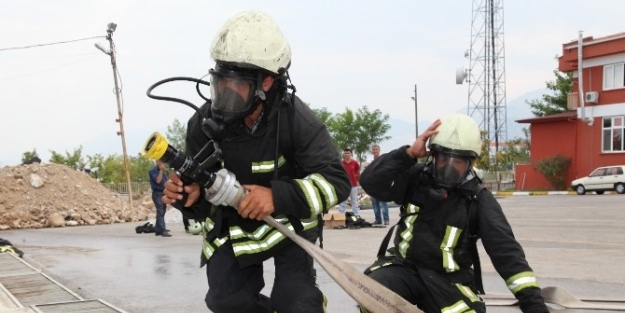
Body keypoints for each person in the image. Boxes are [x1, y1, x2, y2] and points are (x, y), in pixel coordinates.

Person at [161, 11, 350, 313]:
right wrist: (190, 199)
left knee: (296, 304)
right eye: (221, 82)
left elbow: (337, 182)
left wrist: (277, 196)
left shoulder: (297, 120)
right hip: (233, 226)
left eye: (238, 85)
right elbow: (201, 197)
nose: (226, 94)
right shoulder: (201, 124)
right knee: (225, 302)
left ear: (268, 82)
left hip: (290, 222)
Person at [359, 113, 549, 313]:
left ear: (471, 162)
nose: (448, 166)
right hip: (404, 269)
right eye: (443, 158)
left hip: (448, 282)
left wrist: (535, 307)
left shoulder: (479, 200)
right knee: (371, 297)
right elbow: (370, 182)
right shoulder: (416, 177)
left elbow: (508, 255)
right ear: (433, 155)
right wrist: (408, 154)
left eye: (457, 161)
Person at [149, 160, 170, 237]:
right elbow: (158, 181)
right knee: (160, 210)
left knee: (162, 211)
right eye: (160, 161)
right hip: (157, 194)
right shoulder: (152, 171)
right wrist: (161, 170)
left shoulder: (164, 172)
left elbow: (166, 181)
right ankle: (162, 230)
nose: (162, 162)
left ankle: (158, 229)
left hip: (163, 193)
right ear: (157, 162)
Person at [369, 144, 389, 226]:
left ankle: (386, 219)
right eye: (373, 150)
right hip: (373, 184)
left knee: (383, 203)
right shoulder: (370, 161)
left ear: (379, 150)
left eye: (376, 149)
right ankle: (378, 219)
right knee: (375, 204)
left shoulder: (383, 160)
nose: (375, 151)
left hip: (382, 184)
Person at [338, 148, 361, 217]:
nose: (347, 154)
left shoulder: (355, 163)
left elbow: (358, 172)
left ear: (351, 154)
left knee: (354, 202)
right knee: (342, 202)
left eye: (348, 153)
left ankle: (356, 216)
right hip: (344, 185)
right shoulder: (341, 163)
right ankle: (341, 217)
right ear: (343, 154)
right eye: (345, 153)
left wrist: (358, 181)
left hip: (353, 185)